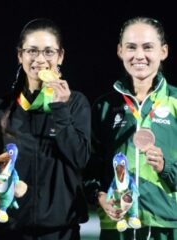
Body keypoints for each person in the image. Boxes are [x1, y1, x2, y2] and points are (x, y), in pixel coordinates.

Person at [0, 18, 91, 240]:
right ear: (20, 55)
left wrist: (59, 108)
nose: (40, 59)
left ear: (61, 56)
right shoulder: (0, 108)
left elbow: (80, 158)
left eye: (49, 52)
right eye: (32, 51)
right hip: (9, 228)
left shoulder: (75, 104)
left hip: (60, 230)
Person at [86, 17, 177, 240]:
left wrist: (166, 167)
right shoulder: (104, 106)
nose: (139, 55)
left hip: (165, 225)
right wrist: (99, 196)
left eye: (148, 47)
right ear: (120, 51)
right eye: (131, 47)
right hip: (116, 226)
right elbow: (89, 167)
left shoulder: (175, 101)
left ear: (163, 51)